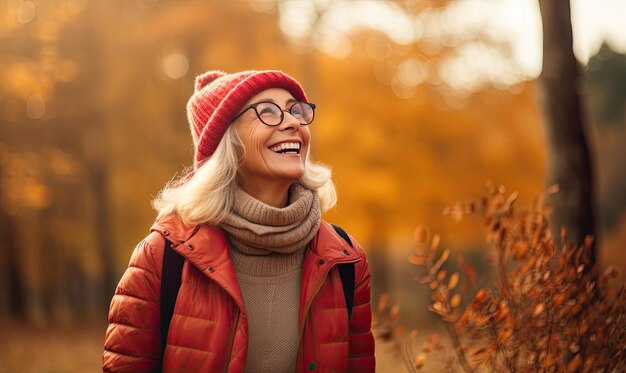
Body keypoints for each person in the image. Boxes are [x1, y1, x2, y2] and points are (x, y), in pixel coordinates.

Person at [103, 70, 375, 372]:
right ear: (227, 142)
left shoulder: (346, 260)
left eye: (296, 110)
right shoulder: (162, 255)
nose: (294, 122)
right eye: (268, 112)